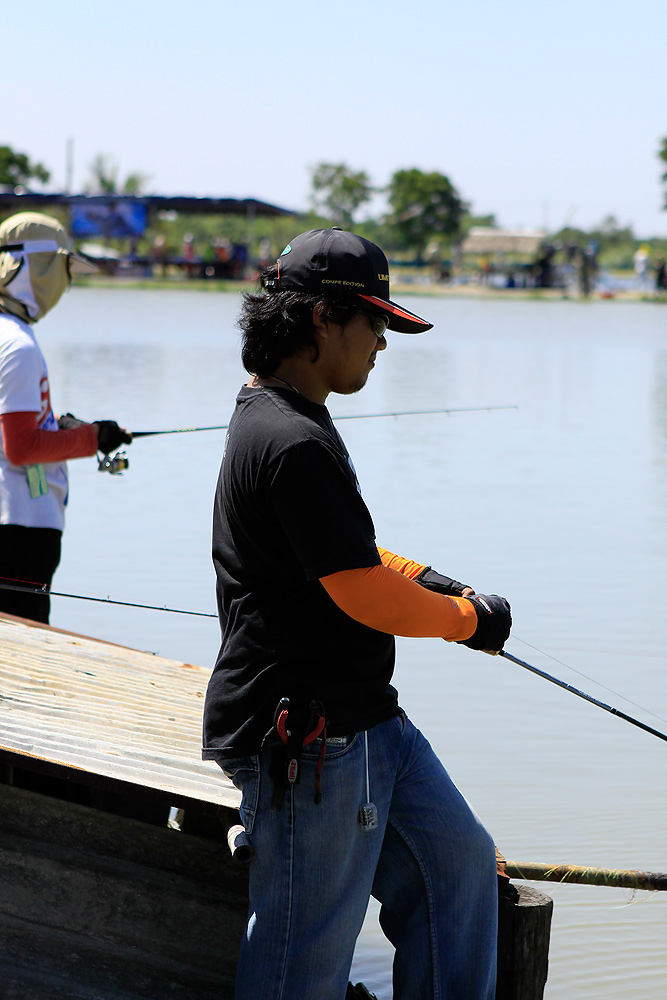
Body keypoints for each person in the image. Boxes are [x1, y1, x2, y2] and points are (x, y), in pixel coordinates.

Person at [202, 228, 512, 1000]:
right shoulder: (287, 438)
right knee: (302, 959)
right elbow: (363, 593)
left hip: (370, 724)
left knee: (459, 873)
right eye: (372, 322)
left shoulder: (288, 416)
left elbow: (355, 556)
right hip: (309, 743)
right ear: (317, 320)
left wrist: (439, 586)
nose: (381, 342)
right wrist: (468, 623)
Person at [0, 212, 132, 623]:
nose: (66, 284)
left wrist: (59, 426)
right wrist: (94, 437)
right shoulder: (18, 346)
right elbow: (20, 448)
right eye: (65, 270)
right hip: (20, 530)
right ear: (38, 267)